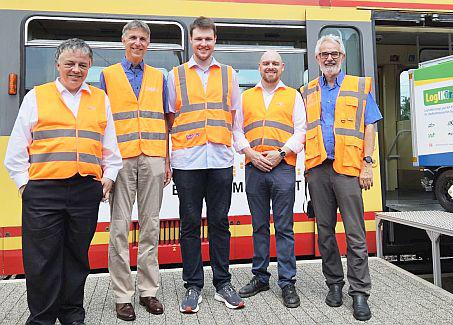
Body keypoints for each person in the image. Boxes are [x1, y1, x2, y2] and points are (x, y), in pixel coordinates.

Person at [4, 38, 123, 325]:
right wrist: (25, 186)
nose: (75, 69)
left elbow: (111, 148)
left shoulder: (99, 98)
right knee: (41, 259)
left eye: (82, 64)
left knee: (76, 256)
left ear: (90, 67)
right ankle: (43, 317)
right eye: (69, 63)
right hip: (43, 191)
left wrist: (108, 176)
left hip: (85, 190)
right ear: (57, 65)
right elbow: (17, 151)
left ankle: (71, 313)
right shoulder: (37, 96)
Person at [301, 34, 382, 321]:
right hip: (319, 170)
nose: (330, 58)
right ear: (317, 58)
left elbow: (370, 125)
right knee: (325, 232)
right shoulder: (307, 90)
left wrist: (368, 163)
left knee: (355, 234)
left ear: (343, 57)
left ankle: (359, 293)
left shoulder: (360, 86)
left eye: (334, 53)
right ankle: (334, 284)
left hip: (348, 169)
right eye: (324, 54)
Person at [166, 16, 244, 313]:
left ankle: (223, 283)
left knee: (220, 223)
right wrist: (168, 158)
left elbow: (235, 118)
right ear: (191, 41)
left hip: (221, 159)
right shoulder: (175, 75)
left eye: (208, 39)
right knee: (189, 225)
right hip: (187, 160)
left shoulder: (228, 74)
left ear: (215, 40)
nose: (203, 44)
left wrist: (242, 151)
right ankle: (193, 286)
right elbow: (169, 120)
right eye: (198, 39)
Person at [99, 20, 170, 321]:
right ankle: (121, 296)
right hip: (122, 159)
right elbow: (101, 121)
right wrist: (105, 164)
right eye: (133, 38)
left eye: (143, 38)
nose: (138, 43)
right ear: (123, 41)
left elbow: (166, 120)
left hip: (153, 157)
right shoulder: (107, 75)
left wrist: (167, 160)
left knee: (151, 226)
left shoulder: (159, 76)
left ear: (148, 43)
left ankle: (148, 292)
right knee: (119, 228)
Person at [233, 50, 306, 308]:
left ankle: (287, 282)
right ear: (259, 67)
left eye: (275, 63)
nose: (270, 67)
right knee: (259, 226)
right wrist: (251, 154)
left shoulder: (293, 96)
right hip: (254, 168)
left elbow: (301, 131)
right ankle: (260, 277)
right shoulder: (245, 97)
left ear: (282, 67)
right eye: (266, 63)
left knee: (285, 228)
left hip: (282, 167)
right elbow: (237, 131)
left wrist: (281, 153)